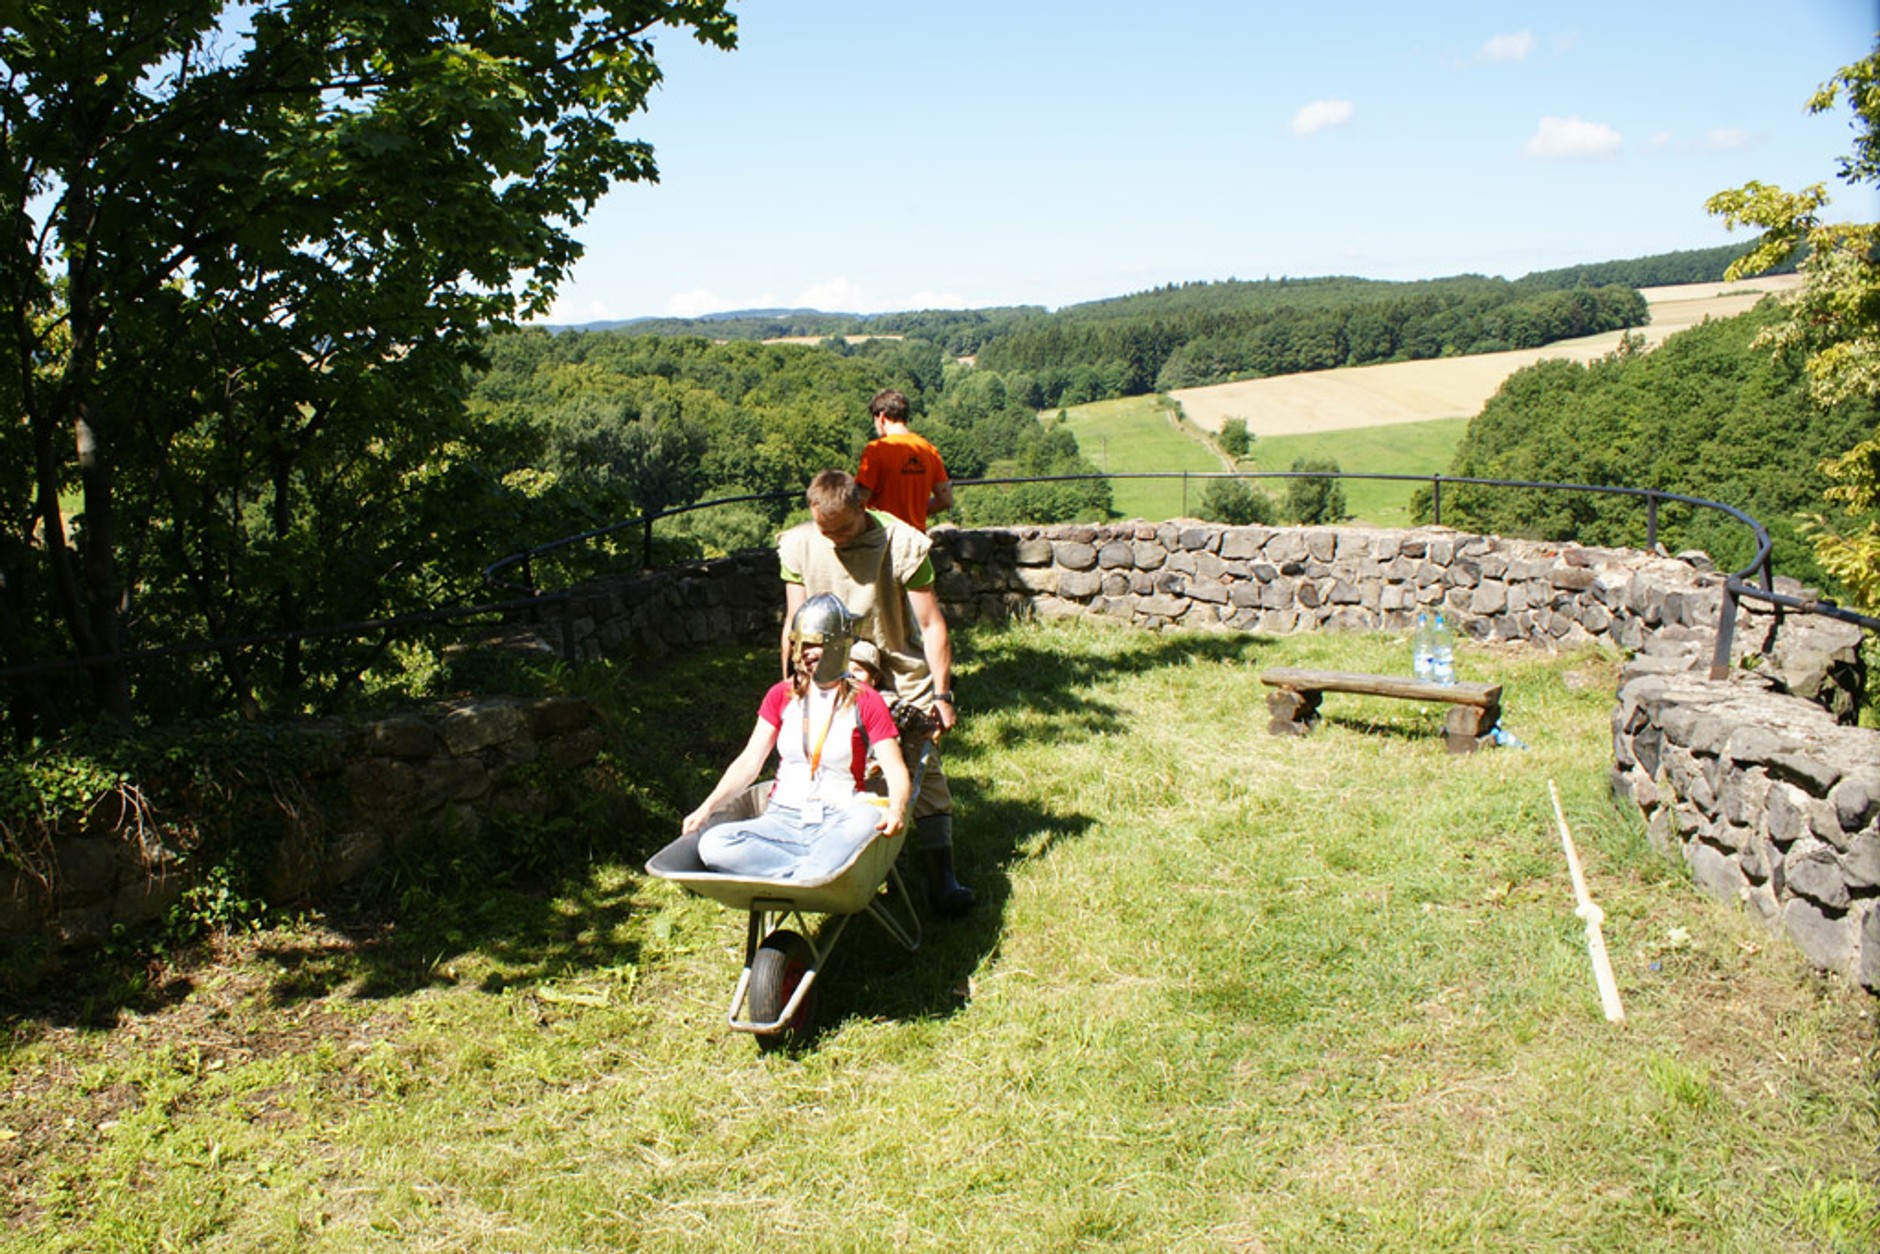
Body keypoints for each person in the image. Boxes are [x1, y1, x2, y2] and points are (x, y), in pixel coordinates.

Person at [777, 470, 974, 914]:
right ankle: (858, 863)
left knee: (923, 765)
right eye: (825, 530)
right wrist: (793, 682)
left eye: (843, 529)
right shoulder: (800, 544)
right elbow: (795, 622)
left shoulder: (901, 543)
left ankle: (941, 878)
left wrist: (941, 696)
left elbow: (931, 624)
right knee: (838, 762)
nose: (834, 538)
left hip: (898, 662)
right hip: (830, 663)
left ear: (862, 508)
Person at [683, 594, 910, 881]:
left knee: (869, 819)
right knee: (715, 845)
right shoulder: (781, 694)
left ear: (837, 644)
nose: (806, 653)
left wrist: (897, 809)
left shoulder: (866, 699)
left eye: (815, 644)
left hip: (841, 817)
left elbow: (895, 768)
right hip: (783, 818)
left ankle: (806, 870)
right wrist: (707, 807)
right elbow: (749, 761)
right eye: (801, 644)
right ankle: (814, 873)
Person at [856, 388, 952, 532]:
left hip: (884, 536)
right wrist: (915, 512)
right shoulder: (929, 450)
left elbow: (859, 501)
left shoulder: (876, 449)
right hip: (917, 538)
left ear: (881, 417)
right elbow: (946, 500)